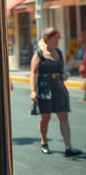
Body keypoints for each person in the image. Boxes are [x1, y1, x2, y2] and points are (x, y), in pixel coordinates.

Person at [30, 27, 82, 157]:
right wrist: (32, 90)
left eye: (58, 38)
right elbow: (33, 73)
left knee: (63, 116)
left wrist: (64, 74)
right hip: (44, 87)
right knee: (45, 117)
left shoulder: (59, 52)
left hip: (59, 87)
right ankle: (44, 142)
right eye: (55, 38)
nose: (57, 41)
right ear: (47, 39)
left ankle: (68, 147)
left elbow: (62, 70)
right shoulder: (39, 54)